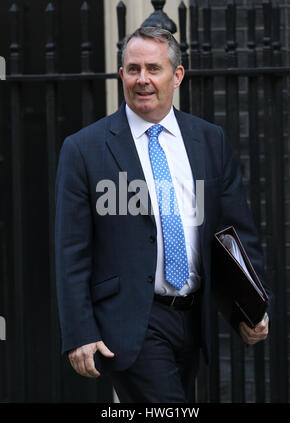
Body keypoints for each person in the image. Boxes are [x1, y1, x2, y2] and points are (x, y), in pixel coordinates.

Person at [55, 26, 273, 403]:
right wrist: (80, 331)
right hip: (130, 320)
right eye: (133, 69)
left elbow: (234, 229)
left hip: (194, 317)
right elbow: (71, 249)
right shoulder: (84, 149)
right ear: (121, 74)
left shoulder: (209, 139)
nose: (142, 80)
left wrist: (253, 304)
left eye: (153, 69)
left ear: (177, 76)